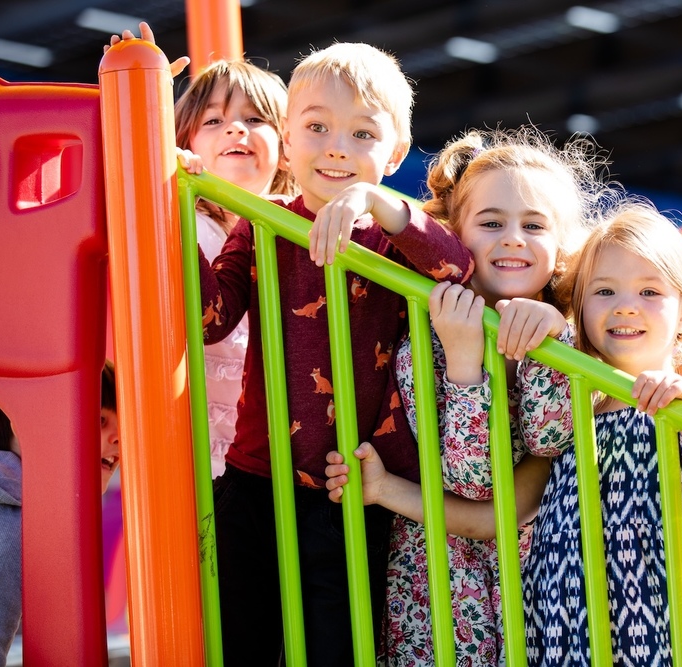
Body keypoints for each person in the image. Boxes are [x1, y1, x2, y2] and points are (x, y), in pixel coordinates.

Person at [192, 39, 475, 666]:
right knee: (245, 640)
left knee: (337, 645)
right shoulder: (261, 225)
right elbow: (210, 320)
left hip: (356, 482)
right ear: (289, 141)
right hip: (255, 476)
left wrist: (379, 204)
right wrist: (173, 210)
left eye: (363, 133)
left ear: (396, 153)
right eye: (316, 127)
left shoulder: (396, 236)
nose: (337, 147)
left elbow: (458, 268)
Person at [325, 125, 611, 664]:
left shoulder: (572, 331)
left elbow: (553, 440)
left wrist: (554, 340)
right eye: (491, 223)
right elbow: (472, 481)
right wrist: (464, 362)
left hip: (535, 579)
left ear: (562, 245)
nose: (513, 238)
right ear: (454, 233)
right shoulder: (428, 330)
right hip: (440, 585)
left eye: (534, 225)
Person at [517, 201, 682, 665]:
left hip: (658, 630)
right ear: (580, 308)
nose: (626, 306)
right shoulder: (576, 401)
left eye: (650, 292)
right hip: (563, 627)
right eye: (605, 291)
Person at [107, 22, 295, 479]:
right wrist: (140, 113)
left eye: (255, 120)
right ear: (186, 143)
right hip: (188, 439)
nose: (235, 129)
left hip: (272, 445)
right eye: (213, 121)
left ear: (288, 148)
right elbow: (120, 181)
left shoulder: (295, 225)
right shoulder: (181, 212)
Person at [0, 362, 120, 667]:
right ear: (26, 421)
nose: (119, 438)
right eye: (100, 420)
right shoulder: (6, 521)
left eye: (123, 426)